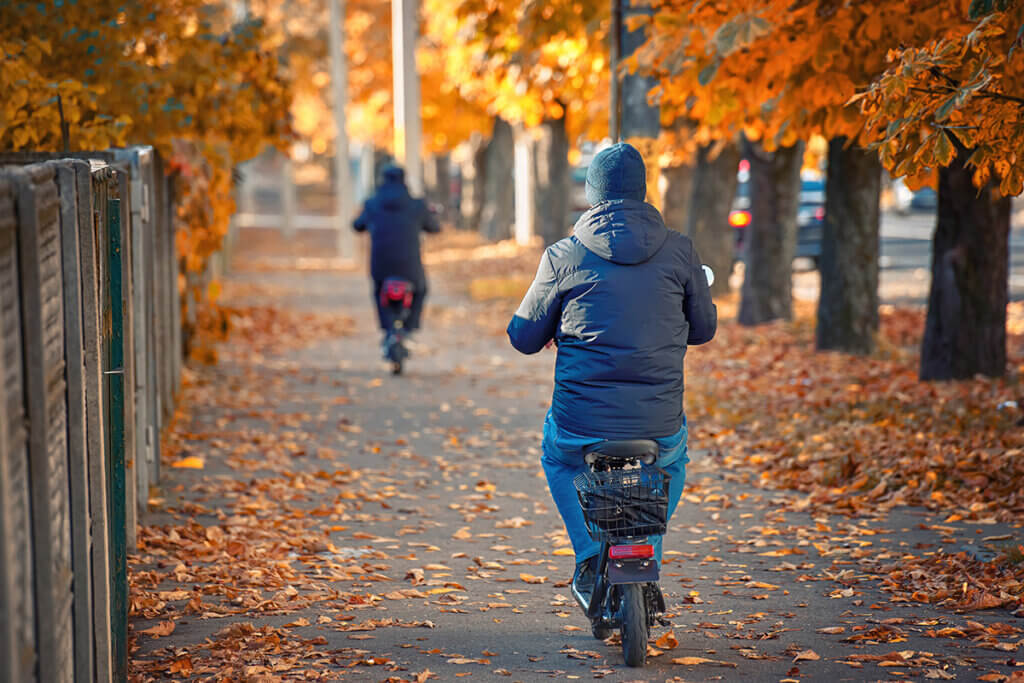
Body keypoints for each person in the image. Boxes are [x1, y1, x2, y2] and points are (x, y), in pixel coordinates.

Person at [506, 143, 717, 609]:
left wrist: (548, 327)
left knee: (558, 458)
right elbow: (704, 330)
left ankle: (587, 555)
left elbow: (522, 337)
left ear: (591, 194)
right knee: (671, 463)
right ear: (644, 191)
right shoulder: (681, 252)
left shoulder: (563, 256)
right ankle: (647, 556)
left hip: (581, 424)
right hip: (657, 424)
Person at [353, 164, 440, 349]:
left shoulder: (372, 204)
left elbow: (357, 226)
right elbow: (434, 228)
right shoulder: (417, 204)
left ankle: (388, 328)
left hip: (381, 264)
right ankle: (409, 328)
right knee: (421, 289)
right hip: (409, 266)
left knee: (377, 290)